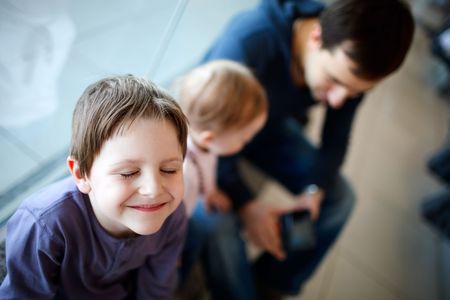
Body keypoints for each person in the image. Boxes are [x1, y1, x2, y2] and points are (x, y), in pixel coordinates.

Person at [195, 0, 415, 299]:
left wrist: (313, 191)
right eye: (335, 81)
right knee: (218, 222)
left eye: (354, 93)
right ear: (316, 38)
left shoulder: (353, 65)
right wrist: (246, 203)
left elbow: (336, 141)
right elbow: (202, 132)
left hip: (268, 129)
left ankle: (272, 283)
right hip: (212, 135)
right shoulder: (251, 41)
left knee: (339, 198)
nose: (338, 100)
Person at [0, 75, 189, 299]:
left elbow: (157, 287)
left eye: (169, 170)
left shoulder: (173, 213)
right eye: (128, 173)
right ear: (81, 174)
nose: (154, 189)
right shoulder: (45, 224)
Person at [173, 60, 268, 283]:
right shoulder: (184, 174)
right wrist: (171, 252)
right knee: (190, 246)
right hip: (165, 234)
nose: (246, 144)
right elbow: (170, 222)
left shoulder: (205, 143)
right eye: (243, 139)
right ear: (210, 138)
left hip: (181, 214)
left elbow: (208, 166)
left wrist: (211, 192)